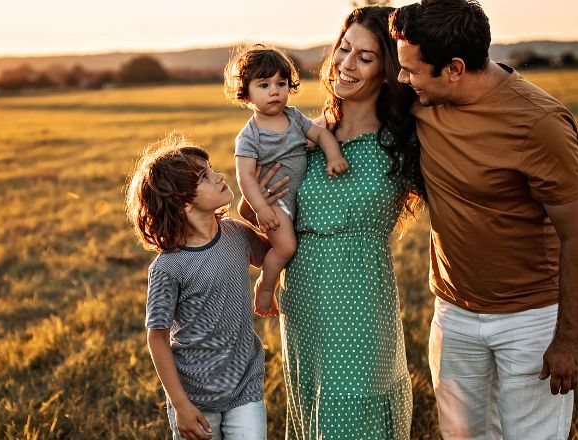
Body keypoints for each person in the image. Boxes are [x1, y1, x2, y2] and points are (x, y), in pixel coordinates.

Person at [390, 1, 578, 438]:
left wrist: (568, 340)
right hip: (453, 313)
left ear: (455, 68)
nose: (401, 79)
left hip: (530, 319)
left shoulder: (539, 122)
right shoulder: (421, 101)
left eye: (411, 70)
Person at [240, 5, 424, 438]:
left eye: (365, 57)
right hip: (302, 299)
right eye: (344, 49)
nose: (345, 63)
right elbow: (262, 217)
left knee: (352, 410)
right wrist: (257, 205)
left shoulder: (406, 141)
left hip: (360, 300)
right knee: (314, 410)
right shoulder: (300, 135)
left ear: (389, 70)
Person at [126, 135, 286, 440]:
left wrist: (258, 209)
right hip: (193, 393)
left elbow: (275, 255)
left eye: (211, 169)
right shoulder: (167, 268)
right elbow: (157, 337)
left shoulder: (236, 234)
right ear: (183, 202)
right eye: (205, 177)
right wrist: (180, 405)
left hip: (244, 382)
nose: (220, 176)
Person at [223, 44, 348, 317]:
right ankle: (266, 286)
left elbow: (322, 135)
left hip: (294, 198)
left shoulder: (293, 117)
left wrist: (333, 156)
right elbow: (245, 177)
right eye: (264, 85)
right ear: (246, 93)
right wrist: (262, 209)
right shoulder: (249, 136)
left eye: (281, 83)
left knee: (289, 245)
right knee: (286, 247)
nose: (275, 90)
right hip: (276, 201)